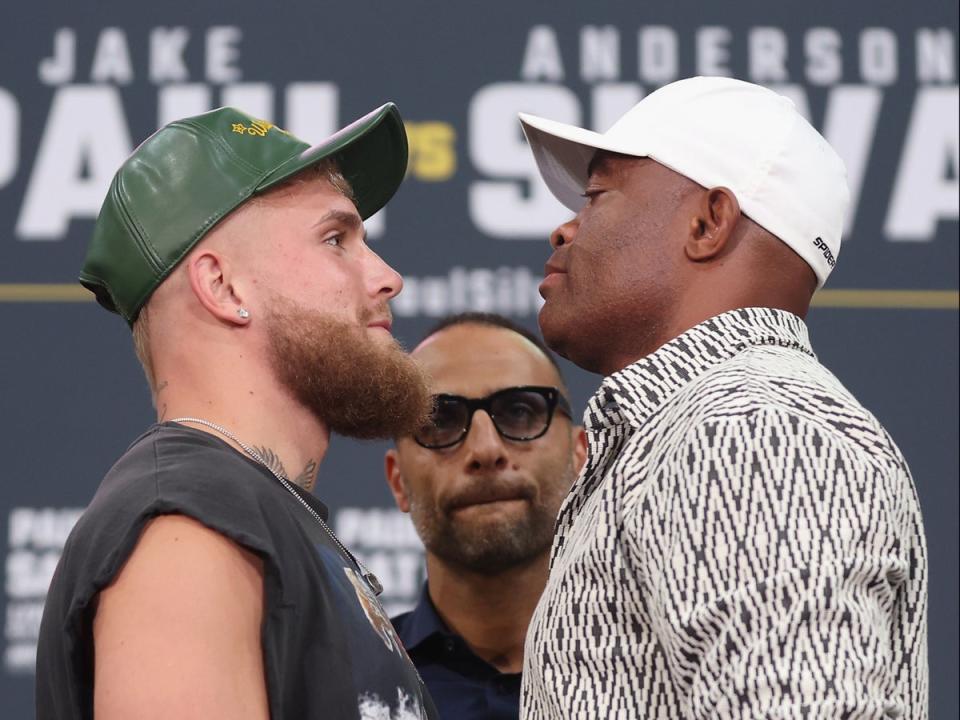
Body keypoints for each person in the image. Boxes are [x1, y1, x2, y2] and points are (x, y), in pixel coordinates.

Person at [516, 76, 928, 718]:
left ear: (709, 222)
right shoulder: (699, 429)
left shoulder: (755, 431)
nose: (564, 230)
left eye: (596, 196)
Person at [37, 105, 440, 720]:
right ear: (224, 287)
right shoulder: (186, 523)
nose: (388, 277)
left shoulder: (251, 513)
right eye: (335, 239)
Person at [383, 313, 587, 719]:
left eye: (520, 412)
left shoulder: (664, 659)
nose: (485, 450)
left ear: (581, 456)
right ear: (398, 481)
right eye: (440, 421)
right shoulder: (348, 681)